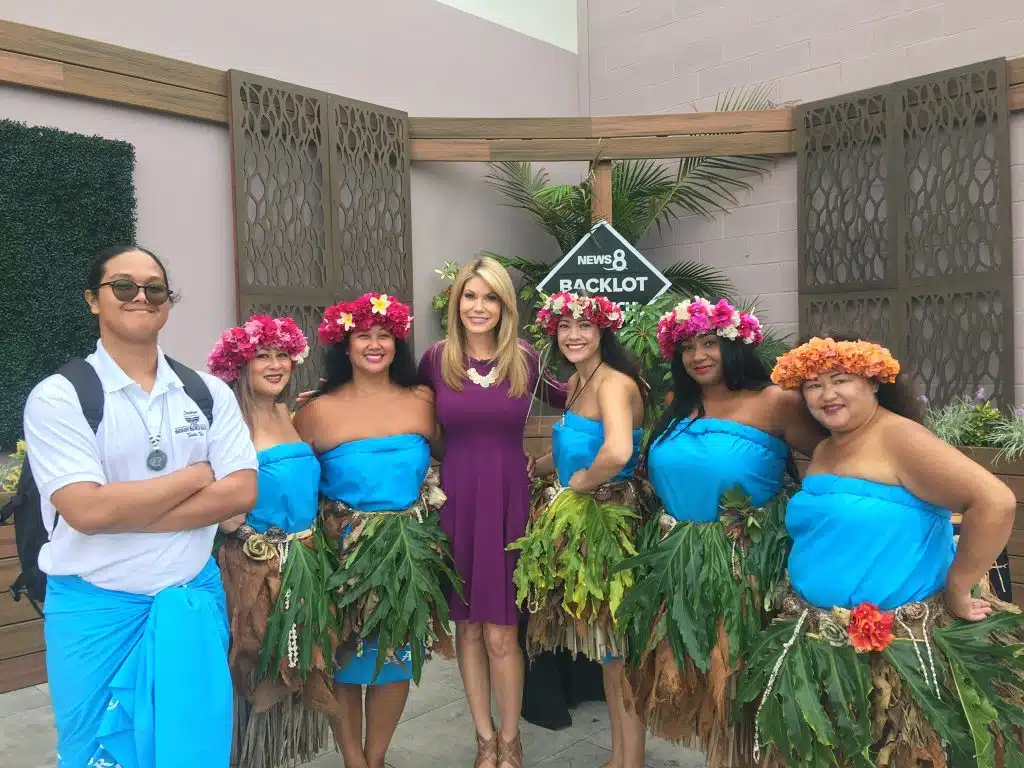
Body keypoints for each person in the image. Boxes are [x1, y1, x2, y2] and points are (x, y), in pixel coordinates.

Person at [22, 245, 258, 768]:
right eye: (123, 286)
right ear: (93, 299)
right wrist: (196, 477)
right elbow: (85, 512)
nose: (141, 297)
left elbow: (241, 492)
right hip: (96, 612)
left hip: (190, 601)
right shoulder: (60, 397)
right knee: (95, 754)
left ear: (167, 302)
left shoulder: (207, 393)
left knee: (192, 750)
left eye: (154, 288)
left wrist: (121, 512)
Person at [739, 335, 1023, 766]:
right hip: (819, 642)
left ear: (873, 381)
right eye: (813, 385)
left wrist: (959, 587)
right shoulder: (826, 447)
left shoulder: (898, 438)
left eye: (840, 380)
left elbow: (995, 502)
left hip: (896, 651)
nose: (827, 394)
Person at [615, 297, 824, 767]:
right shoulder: (678, 405)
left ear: (735, 345)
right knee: (701, 681)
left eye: (710, 342)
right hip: (678, 559)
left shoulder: (775, 402)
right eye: (687, 347)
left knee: (736, 678)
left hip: (744, 564)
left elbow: (834, 459)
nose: (698, 355)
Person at [294, 293, 458, 768]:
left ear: (397, 343)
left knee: (394, 659)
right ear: (344, 346)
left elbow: (455, 454)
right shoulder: (317, 410)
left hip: (407, 552)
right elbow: (287, 473)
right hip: (339, 555)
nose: (374, 344)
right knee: (343, 660)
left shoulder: (422, 401)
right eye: (362, 335)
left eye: (384, 335)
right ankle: (354, 761)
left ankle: (377, 756)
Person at [417, 256, 566, 768]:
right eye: (470, 295)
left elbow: (576, 395)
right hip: (457, 499)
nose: (478, 306)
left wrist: (622, 383)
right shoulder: (436, 360)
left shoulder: (524, 357)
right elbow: (405, 407)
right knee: (469, 628)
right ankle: (484, 740)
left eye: (491, 297)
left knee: (503, 632)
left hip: (508, 500)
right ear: (456, 301)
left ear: (505, 307)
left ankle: (510, 738)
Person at [511, 291, 648, 768]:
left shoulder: (613, 383)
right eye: (564, 326)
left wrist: (580, 485)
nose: (573, 335)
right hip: (583, 522)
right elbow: (573, 446)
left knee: (618, 650)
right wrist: (540, 466)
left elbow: (617, 451)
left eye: (584, 326)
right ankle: (620, 757)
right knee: (610, 652)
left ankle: (629, 761)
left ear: (603, 331)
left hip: (611, 525)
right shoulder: (577, 381)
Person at [207, 315, 337, 768]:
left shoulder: (290, 413)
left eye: (283, 355)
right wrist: (254, 544)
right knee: (257, 666)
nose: (276, 364)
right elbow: (221, 505)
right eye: (262, 356)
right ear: (240, 365)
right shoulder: (229, 422)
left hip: (306, 562)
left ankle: (276, 756)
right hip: (255, 569)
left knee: (297, 666)